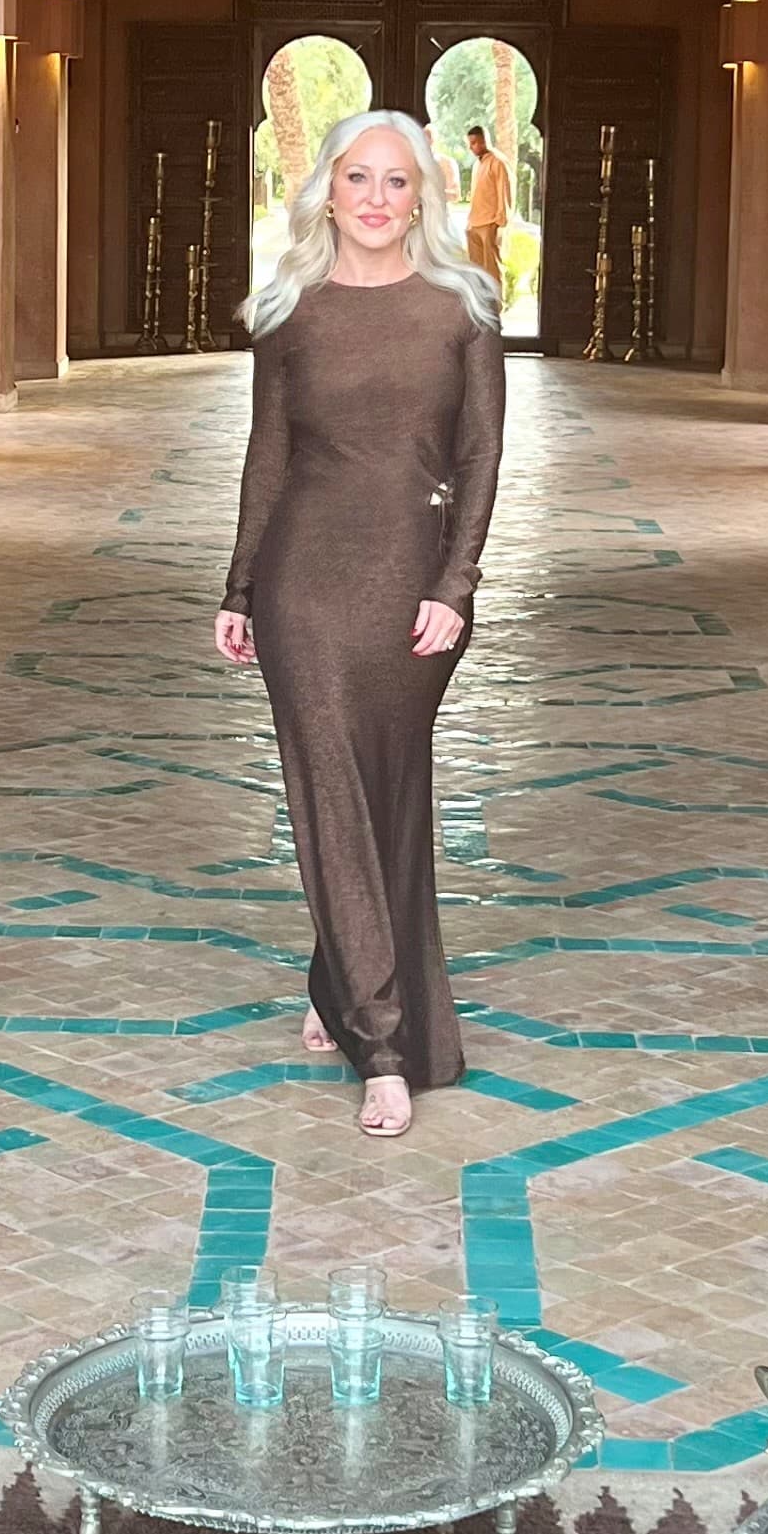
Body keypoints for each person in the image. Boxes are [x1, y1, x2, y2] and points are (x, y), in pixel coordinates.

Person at [214, 112, 507, 1137]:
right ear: (327, 191)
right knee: (330, 789)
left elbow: (480, 458)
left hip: (412, 583)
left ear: (421, 196)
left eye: (396, 180)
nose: (376, 198)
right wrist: (240, 588)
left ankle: (338, 974)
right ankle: (381, 1044)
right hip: (304, 582)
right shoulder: (289, 312)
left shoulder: (462, 309)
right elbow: (267, 457)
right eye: (357, 178)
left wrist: (455, 586)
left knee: (386, 786)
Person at [460, 119, 512, 295]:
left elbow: (504, 193)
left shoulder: (498, 162)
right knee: (476, 270)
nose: (471, 147)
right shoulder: (478, 164)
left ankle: (496, 305)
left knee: (492, 268)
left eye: (474, 143)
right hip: (474, 223)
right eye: (470, 143)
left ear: (484, 140)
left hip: (490, 224)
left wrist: (499, 222)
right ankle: (480, 304)